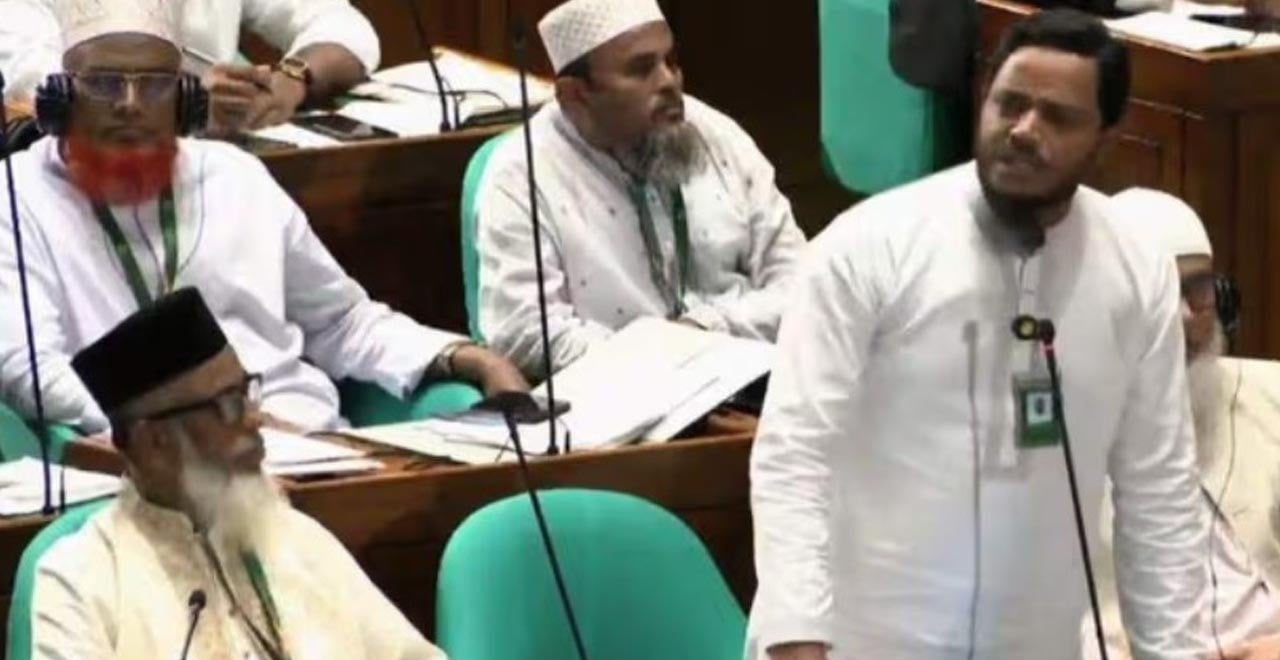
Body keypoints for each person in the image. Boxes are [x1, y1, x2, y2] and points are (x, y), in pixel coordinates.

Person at [748, 10, 1207, 660]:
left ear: (1106, 139)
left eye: (1058, 117)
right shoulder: (869, 247)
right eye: (1009, 104)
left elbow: (1158, 491)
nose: (1023, 130)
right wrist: (798, 639)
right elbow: (795, 457)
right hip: (866, 643)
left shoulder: (1135, 269)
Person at [0, 0, 527, 435]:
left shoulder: (236, 177)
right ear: (59, 100)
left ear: (185, 100)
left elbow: (340, 321)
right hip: (150, 468)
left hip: (307, 446)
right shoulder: (17, 198)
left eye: (156, 85)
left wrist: (468, 357)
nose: (131, 105)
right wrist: (191, 427)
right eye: (105, 85)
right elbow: (30, 369)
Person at [30, 288, 446, 659]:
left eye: (247, 392)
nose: (254, 418)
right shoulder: (81, 579)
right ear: (154, 441)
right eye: (228, 405)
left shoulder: (298, 537)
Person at [475, 0, 807, 377]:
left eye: (671, 62)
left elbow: (801, 281)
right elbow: (523, 334)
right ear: (575, 95)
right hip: (616, 395)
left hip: (753, 377)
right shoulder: (522, 173)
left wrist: (706, 330)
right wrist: (658, 358)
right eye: (641, 69)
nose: (668, 82)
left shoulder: (718, 136)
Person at [1083, 188, 1280, 660]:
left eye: (1199, 289)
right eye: (1159, 292)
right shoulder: (1055, 435)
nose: (1186, 315)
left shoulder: (1271, 394)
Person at [0, 0, 380, 133]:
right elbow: (38, 80)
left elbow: (343, 25)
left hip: (223, 176)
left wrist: (293, 79)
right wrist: (188, 104)